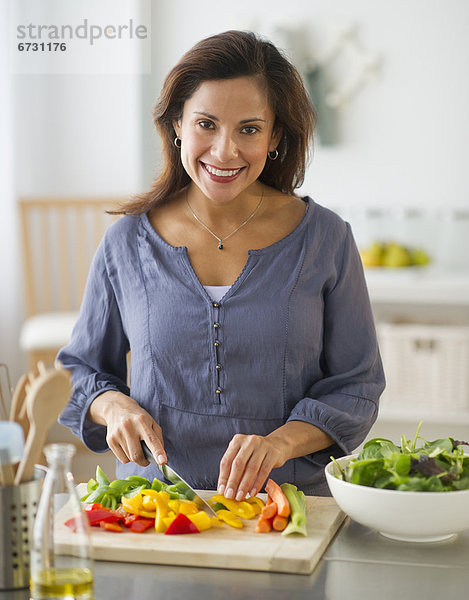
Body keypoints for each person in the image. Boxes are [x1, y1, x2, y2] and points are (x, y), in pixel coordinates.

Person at [58, 30, 385, 498]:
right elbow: (83, 370)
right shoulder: (126, 242)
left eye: (249, 129)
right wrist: (112, 406)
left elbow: (358, 385)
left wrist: (279, 444)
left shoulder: (326, 238)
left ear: (274, 136)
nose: (225, 151)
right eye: (206, 124)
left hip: (286, 508)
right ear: (176, 125)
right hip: (155, 509)